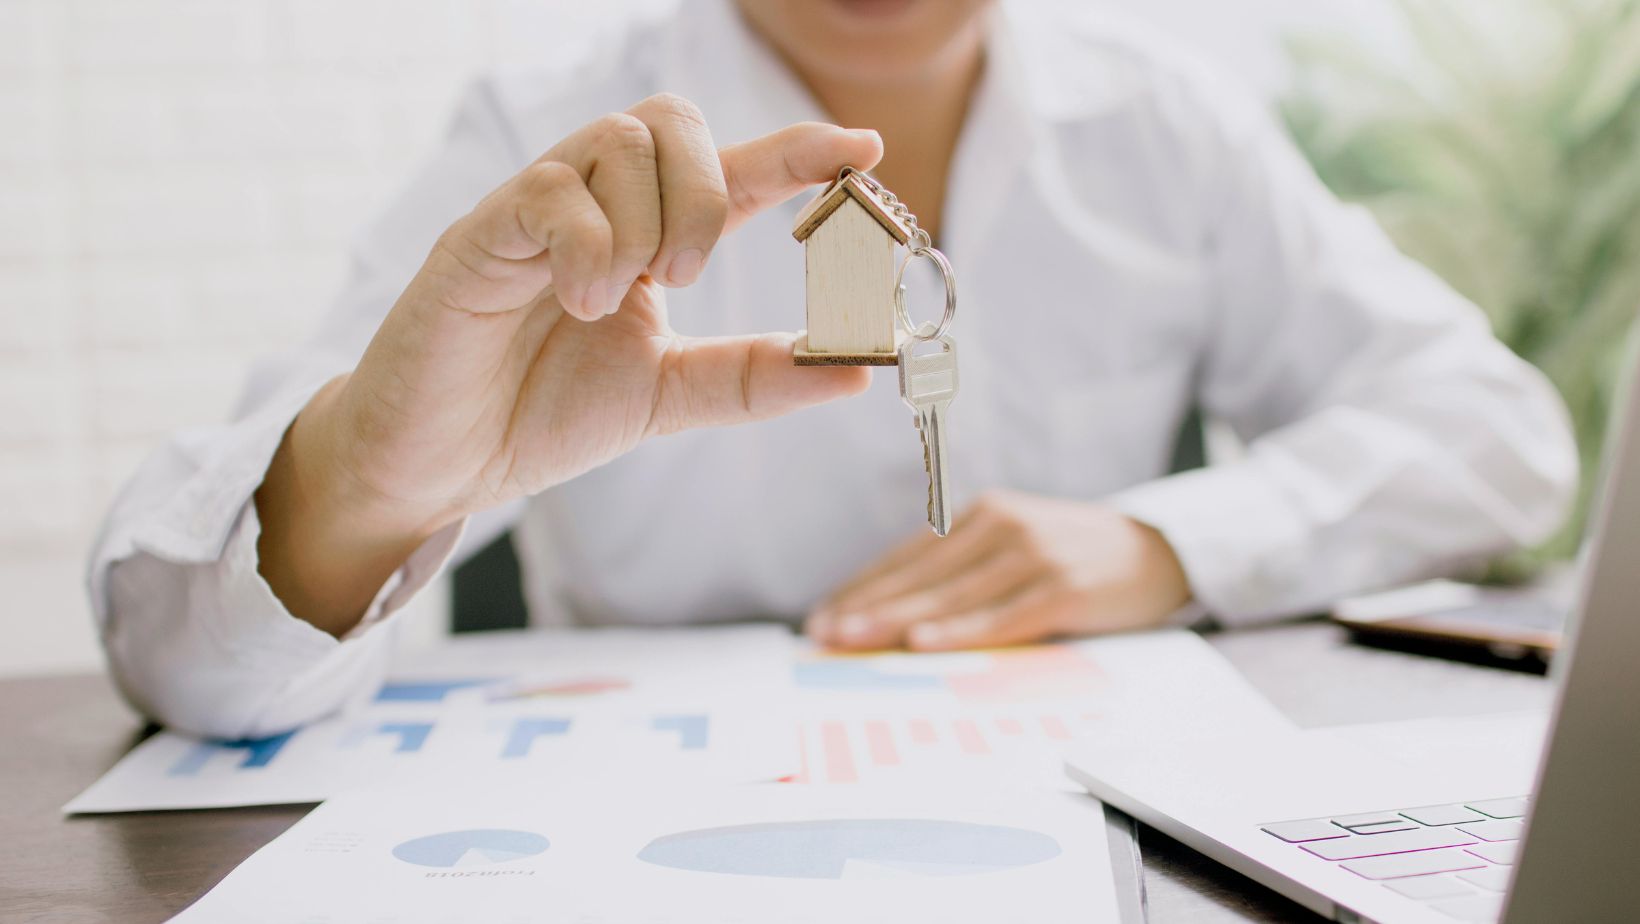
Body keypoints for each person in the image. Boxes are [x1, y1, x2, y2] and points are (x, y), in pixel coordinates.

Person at [90, 0, 1576, 739]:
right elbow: (179, 652)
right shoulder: (537, 132)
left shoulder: (1169, 124)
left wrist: (1170, 539)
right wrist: (371, 480)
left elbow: (1501, 431)